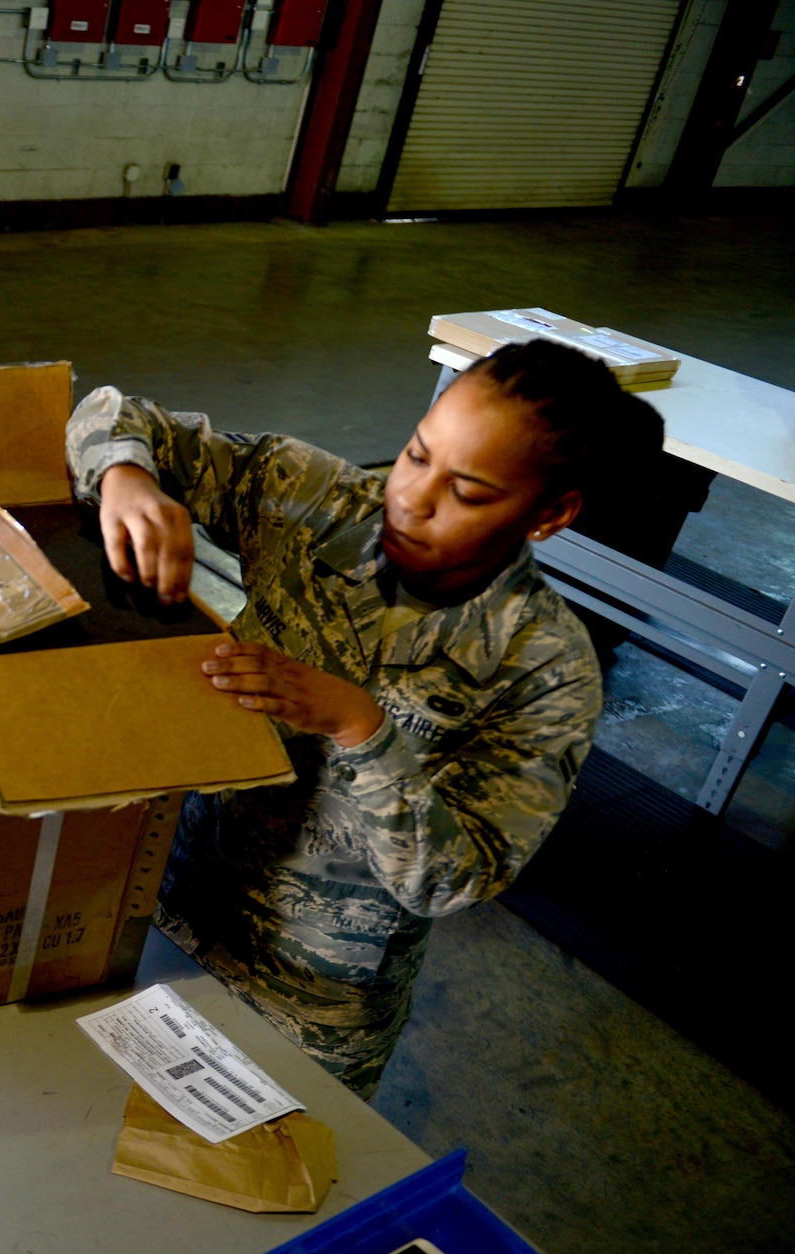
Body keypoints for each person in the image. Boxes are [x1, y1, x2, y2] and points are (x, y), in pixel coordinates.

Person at [68, 340, 662, 1097]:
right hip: (172, 913)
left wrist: (359, 727)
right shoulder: (321, 504)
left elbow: (456, 877)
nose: (412, 498)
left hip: (310, 1008)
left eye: (469, 492)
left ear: (549, 516)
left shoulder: (546, 667)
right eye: (415, 455)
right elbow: (111, 413)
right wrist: (125, 478)